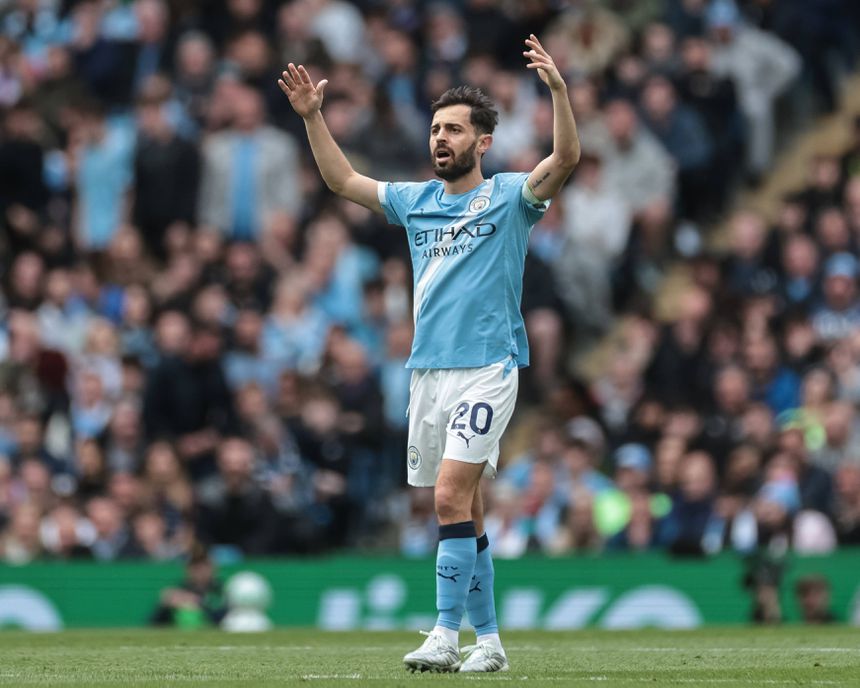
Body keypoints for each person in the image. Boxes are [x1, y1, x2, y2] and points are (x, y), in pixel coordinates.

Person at [279, 32, 580, 673]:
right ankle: (491, 643)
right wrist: (312, 118)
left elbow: (567, 157)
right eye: (436, 129)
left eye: (454, 130)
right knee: (463, 510)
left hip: (489, 367)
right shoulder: (415, 202)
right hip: (427, 373)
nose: (441, 139)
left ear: (483, 142)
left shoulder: (509, 198)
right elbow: (341, 179)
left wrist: (557, 90)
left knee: (448, 497)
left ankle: (444, 634)